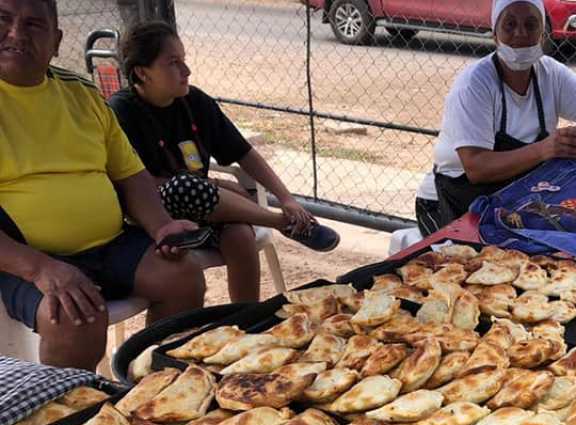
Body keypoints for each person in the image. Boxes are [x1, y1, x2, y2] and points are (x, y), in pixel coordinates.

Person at [0, 0, 206, 369]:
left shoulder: (81, 94)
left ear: (57, 41)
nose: (16, 33)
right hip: (23, 259)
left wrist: (161, 226)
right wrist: (40, 268)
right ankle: (72, 421)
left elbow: (130, 174)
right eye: (3, 19)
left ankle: (150, 393)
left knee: (183, 276)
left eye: (33, 25)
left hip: (111, 245)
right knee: (76, 317)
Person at [108, 21, 339, 303]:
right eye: (173, 62)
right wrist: (215, 185)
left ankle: (244, 325)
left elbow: (244, 152)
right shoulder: (122, 112)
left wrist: (286, 197)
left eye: (184, 60)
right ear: (142, 73)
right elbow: (134, 184)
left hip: (204, 208)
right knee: (185, 186)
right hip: (152, 220)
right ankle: (282, 223)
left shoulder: (194, 101)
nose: (186, 71)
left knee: (240, 234)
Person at [425, 0, 576, 230]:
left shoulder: (551, 73)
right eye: (509, 25)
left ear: (543, 32)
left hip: (513, 195)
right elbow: (476, 167)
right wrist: (545, 149)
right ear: (494, 34)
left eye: (531, 24)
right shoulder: (474, 84)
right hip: (453, 202)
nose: (520, 33)